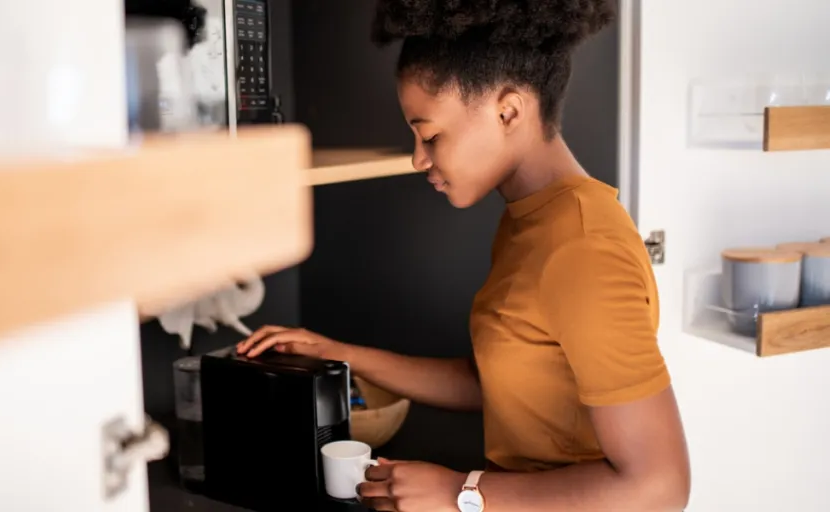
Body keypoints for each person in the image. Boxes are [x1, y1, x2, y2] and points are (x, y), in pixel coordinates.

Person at [237, 0, 691, 510]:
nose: (418, 157)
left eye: (430, 134)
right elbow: (498, 379)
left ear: (508, 111)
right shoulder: (532, 220)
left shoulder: (584, 250)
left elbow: (658, 487)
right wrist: (338, 355)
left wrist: (460, 492)